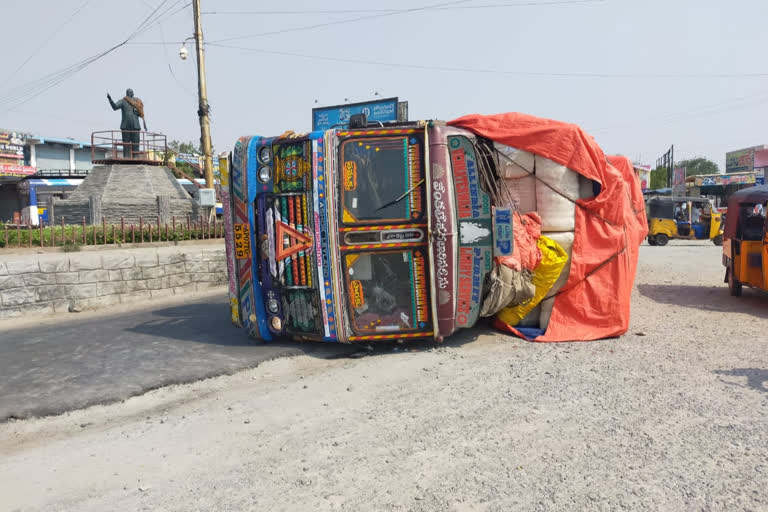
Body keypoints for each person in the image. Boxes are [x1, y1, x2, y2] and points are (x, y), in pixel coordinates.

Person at [107, 88, 147, 158]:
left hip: (135, 125)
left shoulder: (137, 102)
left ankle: (136, 156)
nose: (129, 93)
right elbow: (115, 107)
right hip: (125, 125)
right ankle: (126, 156)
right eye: (127, 92)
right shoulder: (123, 101)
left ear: (133, 93)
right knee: (126, 143)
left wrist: (137, 111)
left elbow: (141, 113)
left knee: (136, 142)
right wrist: (110, 100)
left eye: (130, 92)